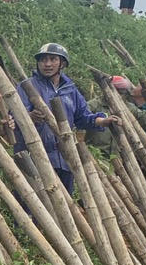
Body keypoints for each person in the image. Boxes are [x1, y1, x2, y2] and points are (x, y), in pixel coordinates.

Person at [15, 43, 115, 194]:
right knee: (33, 205)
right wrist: (29, 117)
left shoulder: (70, 90)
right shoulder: (27, 86)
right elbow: (14, 116)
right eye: (43, 60)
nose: (47, 64)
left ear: (63, 63)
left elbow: (82, 117)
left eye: (53, 59)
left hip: (65, 158)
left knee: (64, 205)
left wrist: (103, 121)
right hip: (35, 156)